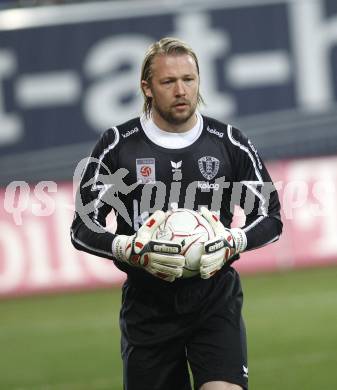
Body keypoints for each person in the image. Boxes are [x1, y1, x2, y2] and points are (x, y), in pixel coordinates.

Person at [71, 37, 282, 390]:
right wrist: (128, 249)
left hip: (214, 298)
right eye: (169, 82)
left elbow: (271, 216)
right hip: (148, 305)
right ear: (147, 87)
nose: (181, 90)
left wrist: (234, 240)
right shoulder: (118, 145)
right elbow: (82, 227)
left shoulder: (229, 141)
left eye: (189, 79)